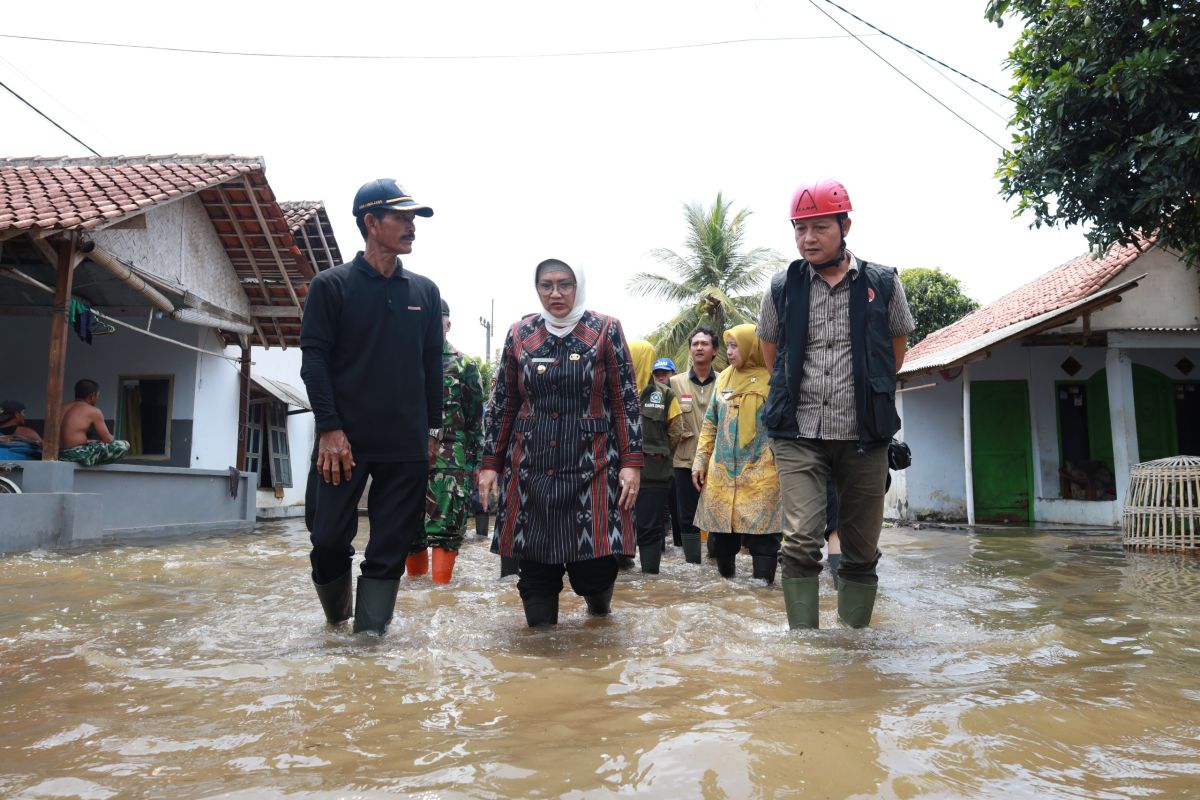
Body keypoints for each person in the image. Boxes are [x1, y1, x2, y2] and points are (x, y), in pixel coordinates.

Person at [758, 178, 915, 629]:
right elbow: (772, 351)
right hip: (798, 432)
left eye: (820, 227)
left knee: (862, 550)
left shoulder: (882, 282)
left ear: (845, 225)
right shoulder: (782, 286)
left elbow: (896, 347)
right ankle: (804, 646)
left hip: (864, 434)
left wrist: (870, 391)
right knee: (801, 542)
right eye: (799, 228)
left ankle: (854, 643)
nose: (808, 239)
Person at [300, 178, 443, 635]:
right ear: (370, 222)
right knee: (326, 541)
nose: (411, 226)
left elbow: (431, 367)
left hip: (404, 443)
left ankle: (367, 647)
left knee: (389, 546)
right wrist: (329, 428)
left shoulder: (424, 292)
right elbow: (314, 361)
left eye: (414, 218)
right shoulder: (331, 286)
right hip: (344, 441)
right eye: (401, 217)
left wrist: (433, 431)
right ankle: (335, 624)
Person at [477, 259, 642, 627]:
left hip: (592, 466)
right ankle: (540, 658)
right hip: (530, 467)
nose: (556, 293)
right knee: (535, 571)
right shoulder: (520, 333)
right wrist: (490, 463)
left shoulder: (605, 330)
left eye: (565, 284)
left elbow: (624, 399)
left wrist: (631, 462)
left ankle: (599, 622)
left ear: (578, 285)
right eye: (546, 285)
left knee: (594, 571)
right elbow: (504, 402)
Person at [691, 324, 782, 583]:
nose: (729, 352)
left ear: (751, 347)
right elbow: (711, 422)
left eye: (735, 346)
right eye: (728, 346)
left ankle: (762, 594)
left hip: (762, 474)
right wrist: (700, 460)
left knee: (764, 539)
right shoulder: (724, 379)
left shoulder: (773, 378)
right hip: (722, 474)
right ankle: (728, 594)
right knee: (722, 536)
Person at [405, 298, 485, 584]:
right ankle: (414, 593)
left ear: (447, 324)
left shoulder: (464, 365)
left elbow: (476, 419)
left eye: (436, 320)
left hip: (451, 458)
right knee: (408, 529)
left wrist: (477, 463)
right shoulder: (404, 361)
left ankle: (440, 596)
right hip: (407, 457)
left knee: (445, 529)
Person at [629, 342, 683, 574]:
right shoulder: (612, 392)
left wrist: (658, 451)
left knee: (650, 526)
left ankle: (650, 578)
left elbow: (677, 431)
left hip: (654, 472)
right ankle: (622, 567)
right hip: (615, 473)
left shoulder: (665, 394)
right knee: (618, 524)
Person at [668, 327, 720, 564]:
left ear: (715, 351)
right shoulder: (674, 383)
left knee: (717, 516)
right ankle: (692, 571)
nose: (699, 348)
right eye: (695, 344)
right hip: (684, 461)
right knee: (687, 518)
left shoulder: (725, 381)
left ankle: (716, 565)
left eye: (705, 344)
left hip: (719, 462)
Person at [58, 380, 130, 466]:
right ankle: (89, 461)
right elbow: (108, 440)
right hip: (76, 455)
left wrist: (89, 441)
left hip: (57, 453)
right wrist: (113, 439)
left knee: (93, 442)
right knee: (123, 445)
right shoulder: (93, 411)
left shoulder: (59, 408)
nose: (97, 399)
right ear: (92, 396)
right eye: (97, 396)